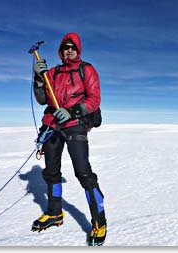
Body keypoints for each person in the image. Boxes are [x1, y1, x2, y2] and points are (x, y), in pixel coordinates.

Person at [31, 32, 106, 246]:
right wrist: (38, 78)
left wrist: (73, 112)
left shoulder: (87, 70)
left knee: (84, 173)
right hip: (53, 125)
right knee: (51, 172)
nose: (69, 50)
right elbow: (42, 99)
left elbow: (94, 99)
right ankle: (55, 213)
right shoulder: (52, 72)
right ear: (61, 50)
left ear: (78, 49)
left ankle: (99, 221)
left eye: (73, 47)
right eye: (66, 47)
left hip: (75, 125)